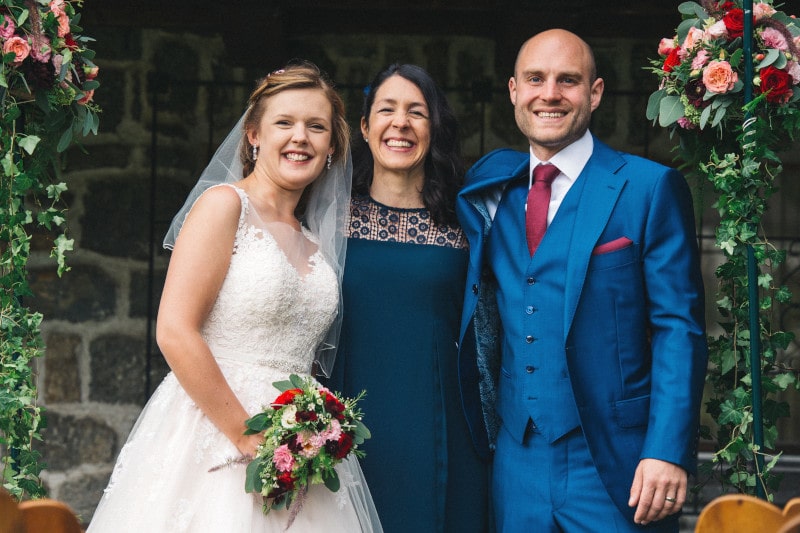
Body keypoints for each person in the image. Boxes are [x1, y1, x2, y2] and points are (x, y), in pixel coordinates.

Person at [88, 63, 382, 533]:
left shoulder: (314, 242)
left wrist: (307, 436)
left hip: (299, 445)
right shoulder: (225, 206)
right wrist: (250, 440)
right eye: (284, 123)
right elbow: (174, 331)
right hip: (217, 432)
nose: (300, 137)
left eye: (316, 126)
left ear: (332, 147)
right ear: (253, 136)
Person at [456, 29, 708, 532]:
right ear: (513, 91)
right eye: (535, 79)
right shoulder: (490, 188)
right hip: (515, 459)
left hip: (617, 462)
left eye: (567, 80)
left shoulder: (648, 187)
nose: (549, 93)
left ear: (594, 93)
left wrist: (667, 449)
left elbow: (678, 327)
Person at [327, 64, 489, 533]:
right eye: (387, 110)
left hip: (443, 424)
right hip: (346, 419)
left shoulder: (469, 222)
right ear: (364, 126)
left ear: (434, 127)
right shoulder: (326, 217)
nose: (401, 123)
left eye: (416, 112)